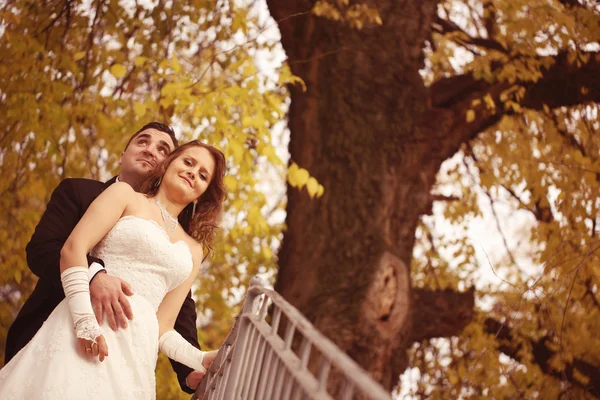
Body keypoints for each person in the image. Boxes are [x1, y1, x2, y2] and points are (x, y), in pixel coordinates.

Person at [0, 140, 226, 399]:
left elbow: (163, 325)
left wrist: (198, 357)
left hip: (136, 354)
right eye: (188, 162)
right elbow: (73, 249)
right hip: (86, 323)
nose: (192, 172)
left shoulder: (194, 251)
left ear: (202, 194)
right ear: (168, 164)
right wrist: (85, 324)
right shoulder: (124, 195)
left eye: (203, 175)